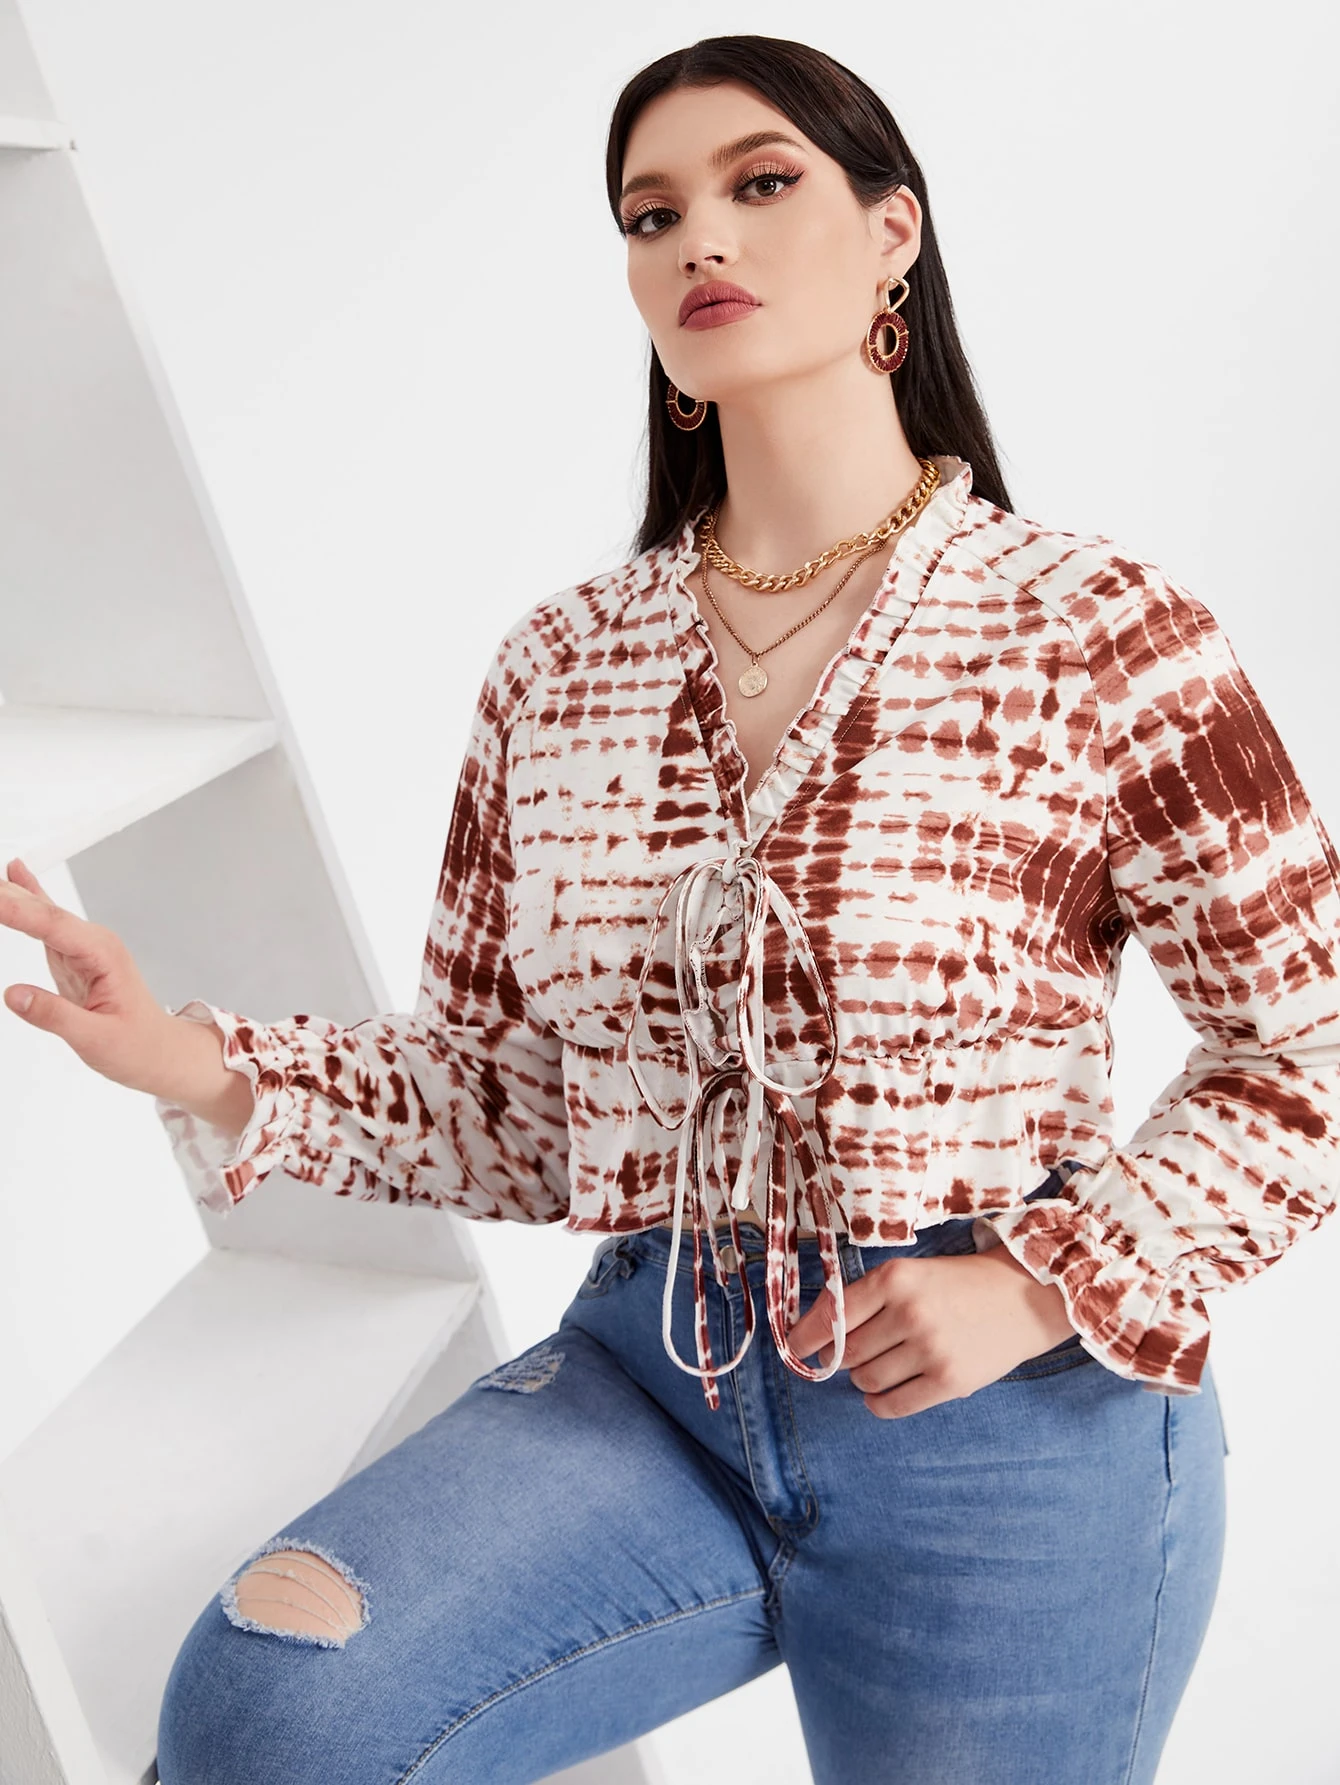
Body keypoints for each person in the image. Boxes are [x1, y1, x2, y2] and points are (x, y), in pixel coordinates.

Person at [5, 32, 1338, 1785]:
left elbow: (1304, 1044)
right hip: (655, 1371)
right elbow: (523, 1105)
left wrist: (1041, 1283)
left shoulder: (1094, 630)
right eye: (651, 214)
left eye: (760, 184)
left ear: (892, 235)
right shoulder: (562, 667)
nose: (699, 237)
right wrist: (191, 1059)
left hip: (1009, 1420)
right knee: (273, 1713)